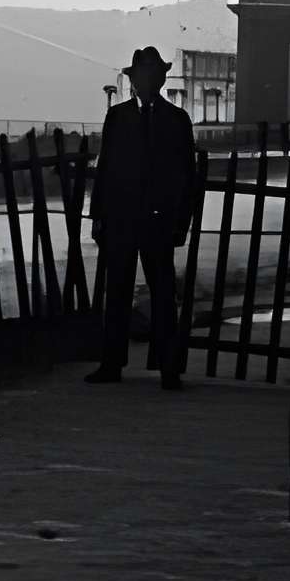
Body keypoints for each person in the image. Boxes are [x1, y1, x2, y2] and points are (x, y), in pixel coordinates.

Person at [86, 46, 201, 386]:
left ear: (162, 79)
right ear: (133, 80)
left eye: (153, 75)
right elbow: (104, 169)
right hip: (121, 220)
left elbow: (187, 176)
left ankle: (169, 369)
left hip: (159, 221)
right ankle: (111, 365)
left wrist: (182, 223)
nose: (146, 81)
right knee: (117, 292)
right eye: (140, 75)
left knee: (163, 294)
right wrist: (98, 217)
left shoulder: (177, 120)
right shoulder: (117, 118)